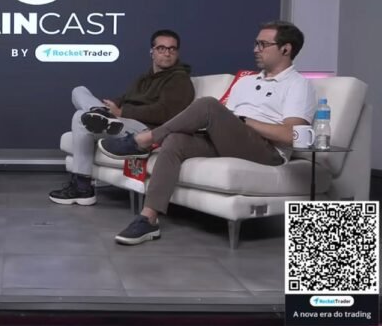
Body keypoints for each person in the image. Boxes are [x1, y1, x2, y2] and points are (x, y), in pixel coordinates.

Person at [99, 20, 316, 245]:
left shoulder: (298, 85)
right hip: (232, 140)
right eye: (256, 43)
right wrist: (229, 123)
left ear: (285, 49)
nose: (255, 49)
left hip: (267, 151)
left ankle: (143, 140)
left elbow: (290, 136)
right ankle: (148, 219)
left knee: (208, 104)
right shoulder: (247, 82)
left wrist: (244, 122)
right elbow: (227, 120)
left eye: (263, 44)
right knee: (175, 140)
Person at [49, 29, 195, 206]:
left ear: (177, 52)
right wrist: (111, 106)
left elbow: (165, 113)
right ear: (152, 52)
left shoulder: (180, 80)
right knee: (79, 91)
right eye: (161, 48)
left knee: (80, 118)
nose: (167, 53)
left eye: (172, 49)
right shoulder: (145, 78)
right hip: (123, 122)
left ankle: (82, 187)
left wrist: (122, 112)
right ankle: (98, 112)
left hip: (146, 130)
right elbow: (126, 98)